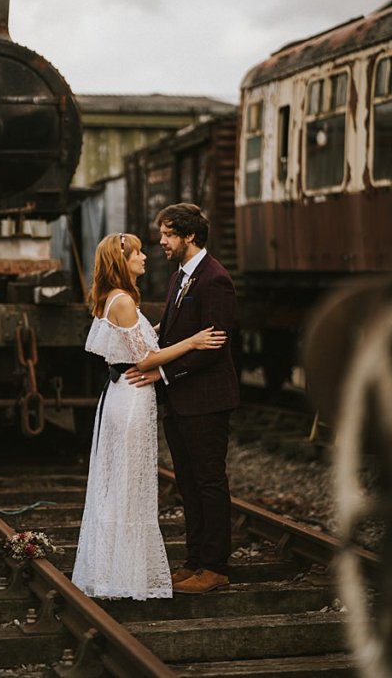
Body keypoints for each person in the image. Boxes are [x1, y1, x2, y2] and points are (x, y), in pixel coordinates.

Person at [73, 232, 226, 600]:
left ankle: (116, 568)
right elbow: (143, 359)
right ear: (121, 263)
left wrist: (162, 333)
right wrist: (192, 342)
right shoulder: (123, 300)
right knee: (129, 486)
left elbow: (139, 342)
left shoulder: (116, 299)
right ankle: (123, 574)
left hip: (122, 396)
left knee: (125, 484)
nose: (146, 256)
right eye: (138, 253)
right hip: (131, 398)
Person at [125, 203, 239, 594]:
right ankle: (193, 562)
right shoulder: (179, 278)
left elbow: (215, 346)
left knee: (209, 481)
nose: (161, 242)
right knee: (188, 483)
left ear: (190, 236)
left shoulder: (214, 279)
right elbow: (174, 333)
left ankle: (215, 567)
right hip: (180, 401)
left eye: (169, 234)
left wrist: (164, 372)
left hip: (206, 399)